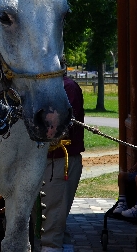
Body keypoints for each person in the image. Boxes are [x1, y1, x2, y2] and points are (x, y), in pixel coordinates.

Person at [37, 75, 85, 252]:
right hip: (40, 162)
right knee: (43, 221)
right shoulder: (31, 86)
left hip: (59, 162)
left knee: (52, 222)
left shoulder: (68, 87)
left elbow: (59, 127)